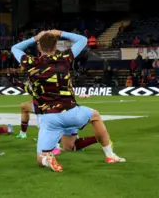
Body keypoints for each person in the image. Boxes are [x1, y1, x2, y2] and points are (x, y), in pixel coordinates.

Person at [11, 30, 125, 172]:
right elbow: (82, 40)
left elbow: (14, 48)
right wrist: (59, 32)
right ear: (56, 46)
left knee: (40, 159)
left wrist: (35, 37)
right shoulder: (64, 58)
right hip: (71, 112)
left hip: (49, 117)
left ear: (39, 47)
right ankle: (110, 155)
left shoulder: (30, 62)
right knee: (95, 116)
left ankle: (47, 159)